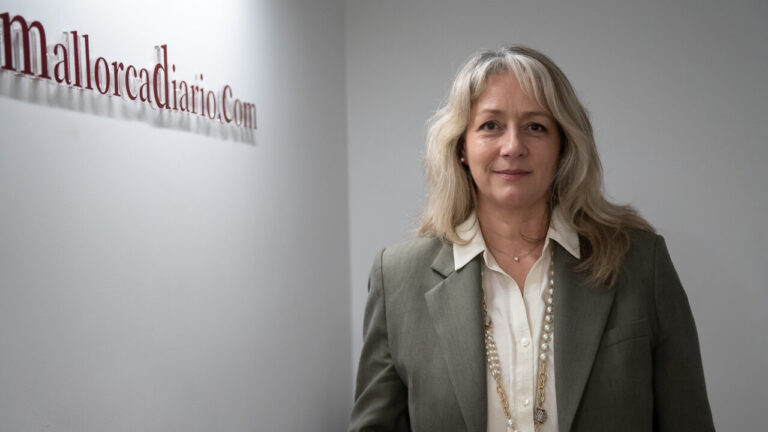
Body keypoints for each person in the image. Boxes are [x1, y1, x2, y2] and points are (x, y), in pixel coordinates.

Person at [348, 45, 715, 432]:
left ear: (563, 147)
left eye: (535, 127)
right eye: (490, 125)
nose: (513, 147)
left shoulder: (639, 262)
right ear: (461, 147)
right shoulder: (398, 278)